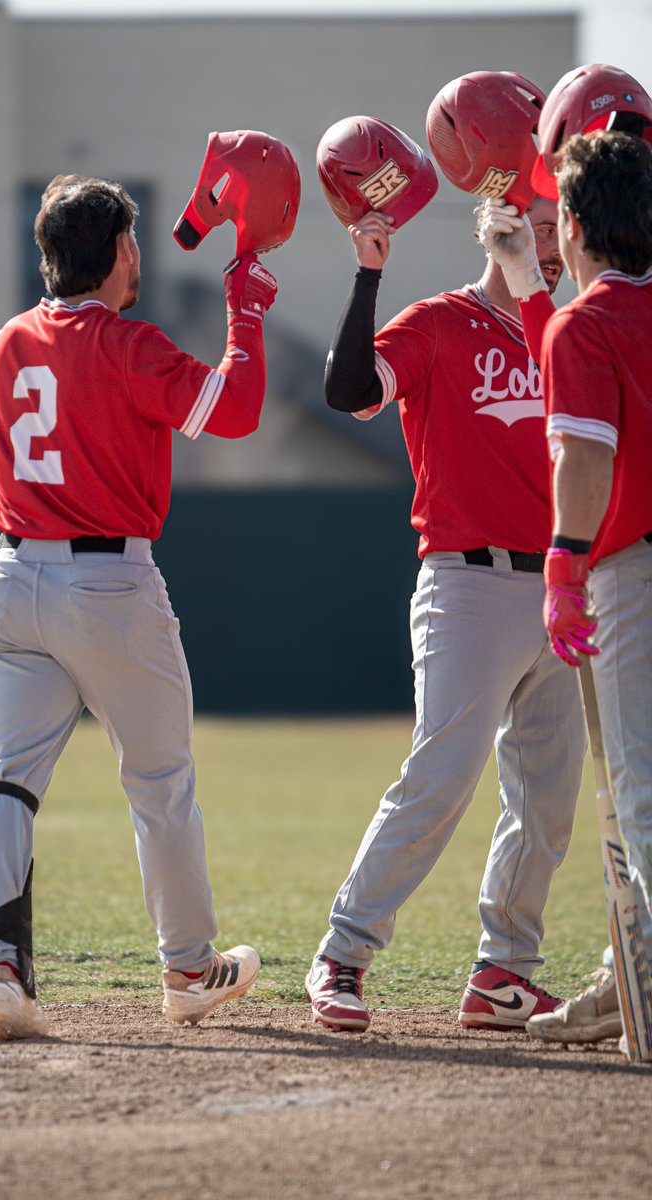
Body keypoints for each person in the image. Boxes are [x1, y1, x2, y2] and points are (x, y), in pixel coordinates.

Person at [0, 174, 278, 1039]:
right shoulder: (133, 347)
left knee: (9, 784)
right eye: (135, 242)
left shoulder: (7, 342)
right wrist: (246, 315)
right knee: (161, 784)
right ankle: (188, 969)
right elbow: (237, 411)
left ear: (47, 254)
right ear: (123, 252)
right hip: (109, 585)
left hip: (12, 581)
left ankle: (1, 972)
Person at [304, 195, 587, 1034]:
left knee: (548, 798)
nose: (541, 241)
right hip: (469, 582)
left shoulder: (567, 332)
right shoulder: (439, 323)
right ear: (491, 233)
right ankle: (343, 953)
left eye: (551, 226)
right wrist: (368, 272)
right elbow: (347, 388)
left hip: (563, 585)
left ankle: (504, 971)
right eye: (526, 226)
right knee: (443, 773)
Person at [519, 130, 652, 1046]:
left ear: (571, 223)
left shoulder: (587, 321)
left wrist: (563, 567)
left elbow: (587, 461)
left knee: (641, 792)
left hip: (631, 567)